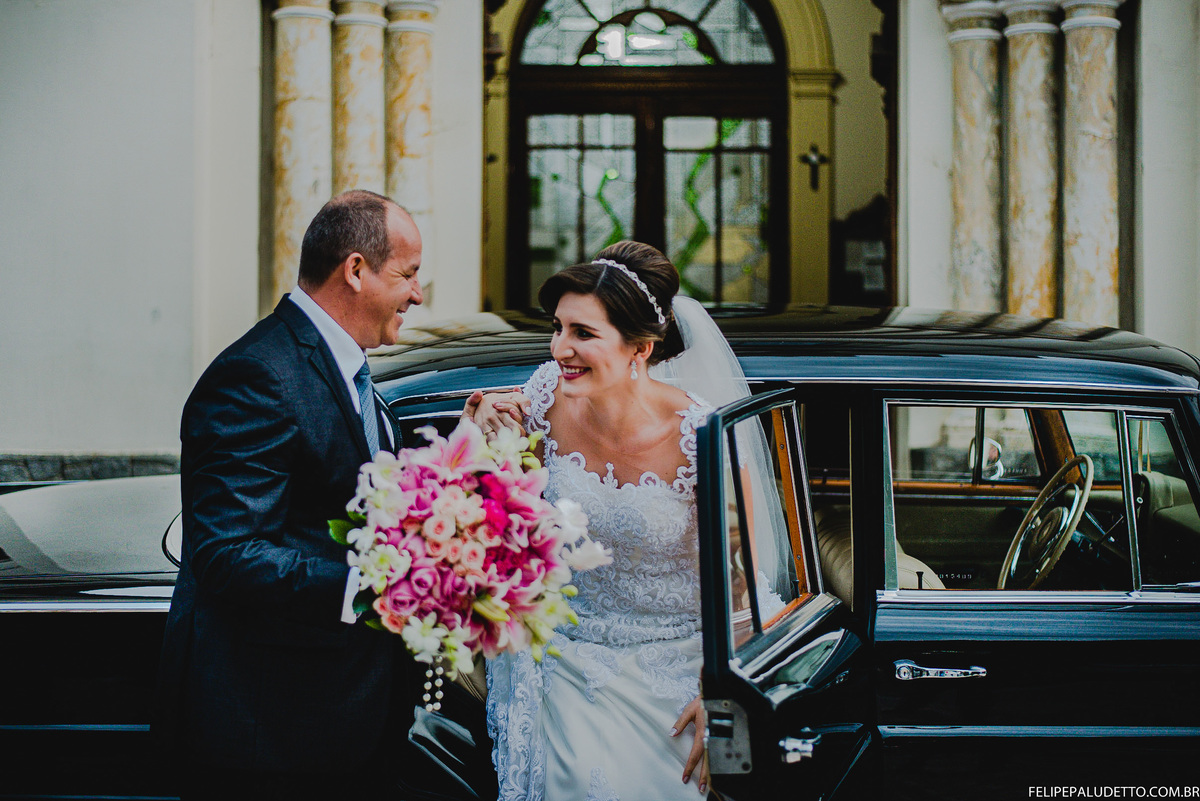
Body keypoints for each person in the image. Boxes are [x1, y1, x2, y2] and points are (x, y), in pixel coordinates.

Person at [156, 190, 423, 799]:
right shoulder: (257, 375)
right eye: (407, 275)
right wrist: (379, 585)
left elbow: (354, 492)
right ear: (355, 270)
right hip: (273, 737)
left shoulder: (351, 370)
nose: (417, 294)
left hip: (348, 722)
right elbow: (228, 553)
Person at [467, 241, 727, 800]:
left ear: (641, 348)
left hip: (678, 665)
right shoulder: (545, 396)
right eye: (558, 328)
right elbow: (508, 508)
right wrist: (483, 424)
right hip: (568, 658)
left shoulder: (700, 434)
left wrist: (721, 691)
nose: (561, 349)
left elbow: (746, 579)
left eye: (583, 333)